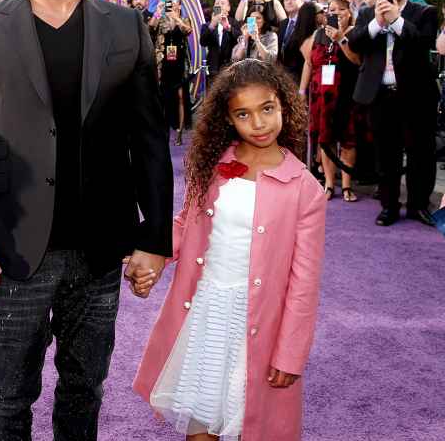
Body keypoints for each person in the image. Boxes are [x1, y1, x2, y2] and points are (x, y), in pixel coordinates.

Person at [0, 0, 173, 439]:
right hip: (15, 249)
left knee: (83, 388)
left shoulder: (125, 26)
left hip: (100, 249)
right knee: (7, 391)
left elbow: (149, 140)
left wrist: (154, 237)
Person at [134, 58, 326, 441]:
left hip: (259, 323)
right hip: (207, 313)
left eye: (267, 109)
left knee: (248, 422)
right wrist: (151, 259)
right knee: (201, 423)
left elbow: (304, 284)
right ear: (228, 119)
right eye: (244, 114)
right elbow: (185, 227)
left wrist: (290, 354)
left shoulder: (306, 189)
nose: (259, 123)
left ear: (284, 106)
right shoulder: (213, 168)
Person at [347, 0, 438, 227]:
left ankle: (418, 205)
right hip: (380, 95)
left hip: (416, 95)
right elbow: (356, 43)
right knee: (386, 154)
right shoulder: (366, 14)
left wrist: (396, 19)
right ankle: (388, 206)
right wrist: (378, 22)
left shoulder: (425, 12)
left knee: (421, 152)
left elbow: (421, 41)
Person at [298, 0, 362, 202]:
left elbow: (357, 60)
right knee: (325, 140)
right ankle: (328, 184)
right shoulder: (317, 34)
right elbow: (308, 63)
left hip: (346, 94)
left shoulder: (354, 32)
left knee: (348, 140)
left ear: (349, 12)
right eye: (330, 10)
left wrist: (340, 38)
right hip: (321, 96)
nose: (334, 14)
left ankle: (346, 185)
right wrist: (301, 91)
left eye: (340, 10)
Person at [152, 0, 194, 145]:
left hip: (180, 63)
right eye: (168, 3)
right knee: (162, 97)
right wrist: (158, 11)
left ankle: (179, 132)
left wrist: (176, 18)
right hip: (164, 64)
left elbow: (188, 31)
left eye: (173, 3)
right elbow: (151, 26)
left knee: (180, 98)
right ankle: (162, 129)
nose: (170, 5)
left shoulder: (183, 19)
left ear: (179, 6)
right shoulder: (162, 20)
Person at [199, 0, 236, 90]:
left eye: (222, 3)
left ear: (228, 7)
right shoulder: (207, 25)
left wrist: (228, 27)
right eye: (217, 3)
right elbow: (203, 42)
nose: (219, 5)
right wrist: (212, 25)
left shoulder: (234, 23)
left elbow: (240, 39)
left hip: (230, 69)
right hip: (213, 69)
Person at [277, 0, 306, 81]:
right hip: (283, 76)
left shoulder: (306, 23)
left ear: (302, 2)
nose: (289, 2)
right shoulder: (282, 24)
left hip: (301, 76)